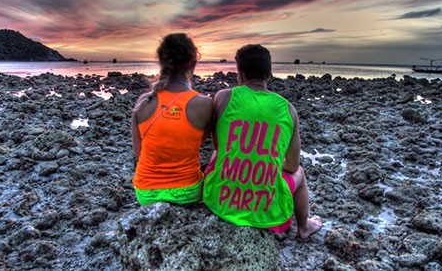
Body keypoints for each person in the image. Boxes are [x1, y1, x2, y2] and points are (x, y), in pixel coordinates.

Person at [203, 44, 322, 239]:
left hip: (221, 202)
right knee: (300, 172)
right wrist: (269, 162)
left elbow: (217, 147)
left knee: (219, 152)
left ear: (240, 74)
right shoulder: (288, 109)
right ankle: (304, 226)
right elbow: (292, 166)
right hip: (267, 210)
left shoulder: (223, 98)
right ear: (269, 74)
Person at [131, 33, 213, 206]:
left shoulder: (144, 101)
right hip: (188, 192)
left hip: (146, 194)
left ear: (161, 62)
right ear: (194, 64)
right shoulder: (204, 104)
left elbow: (139, 153)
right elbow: (201, 142)